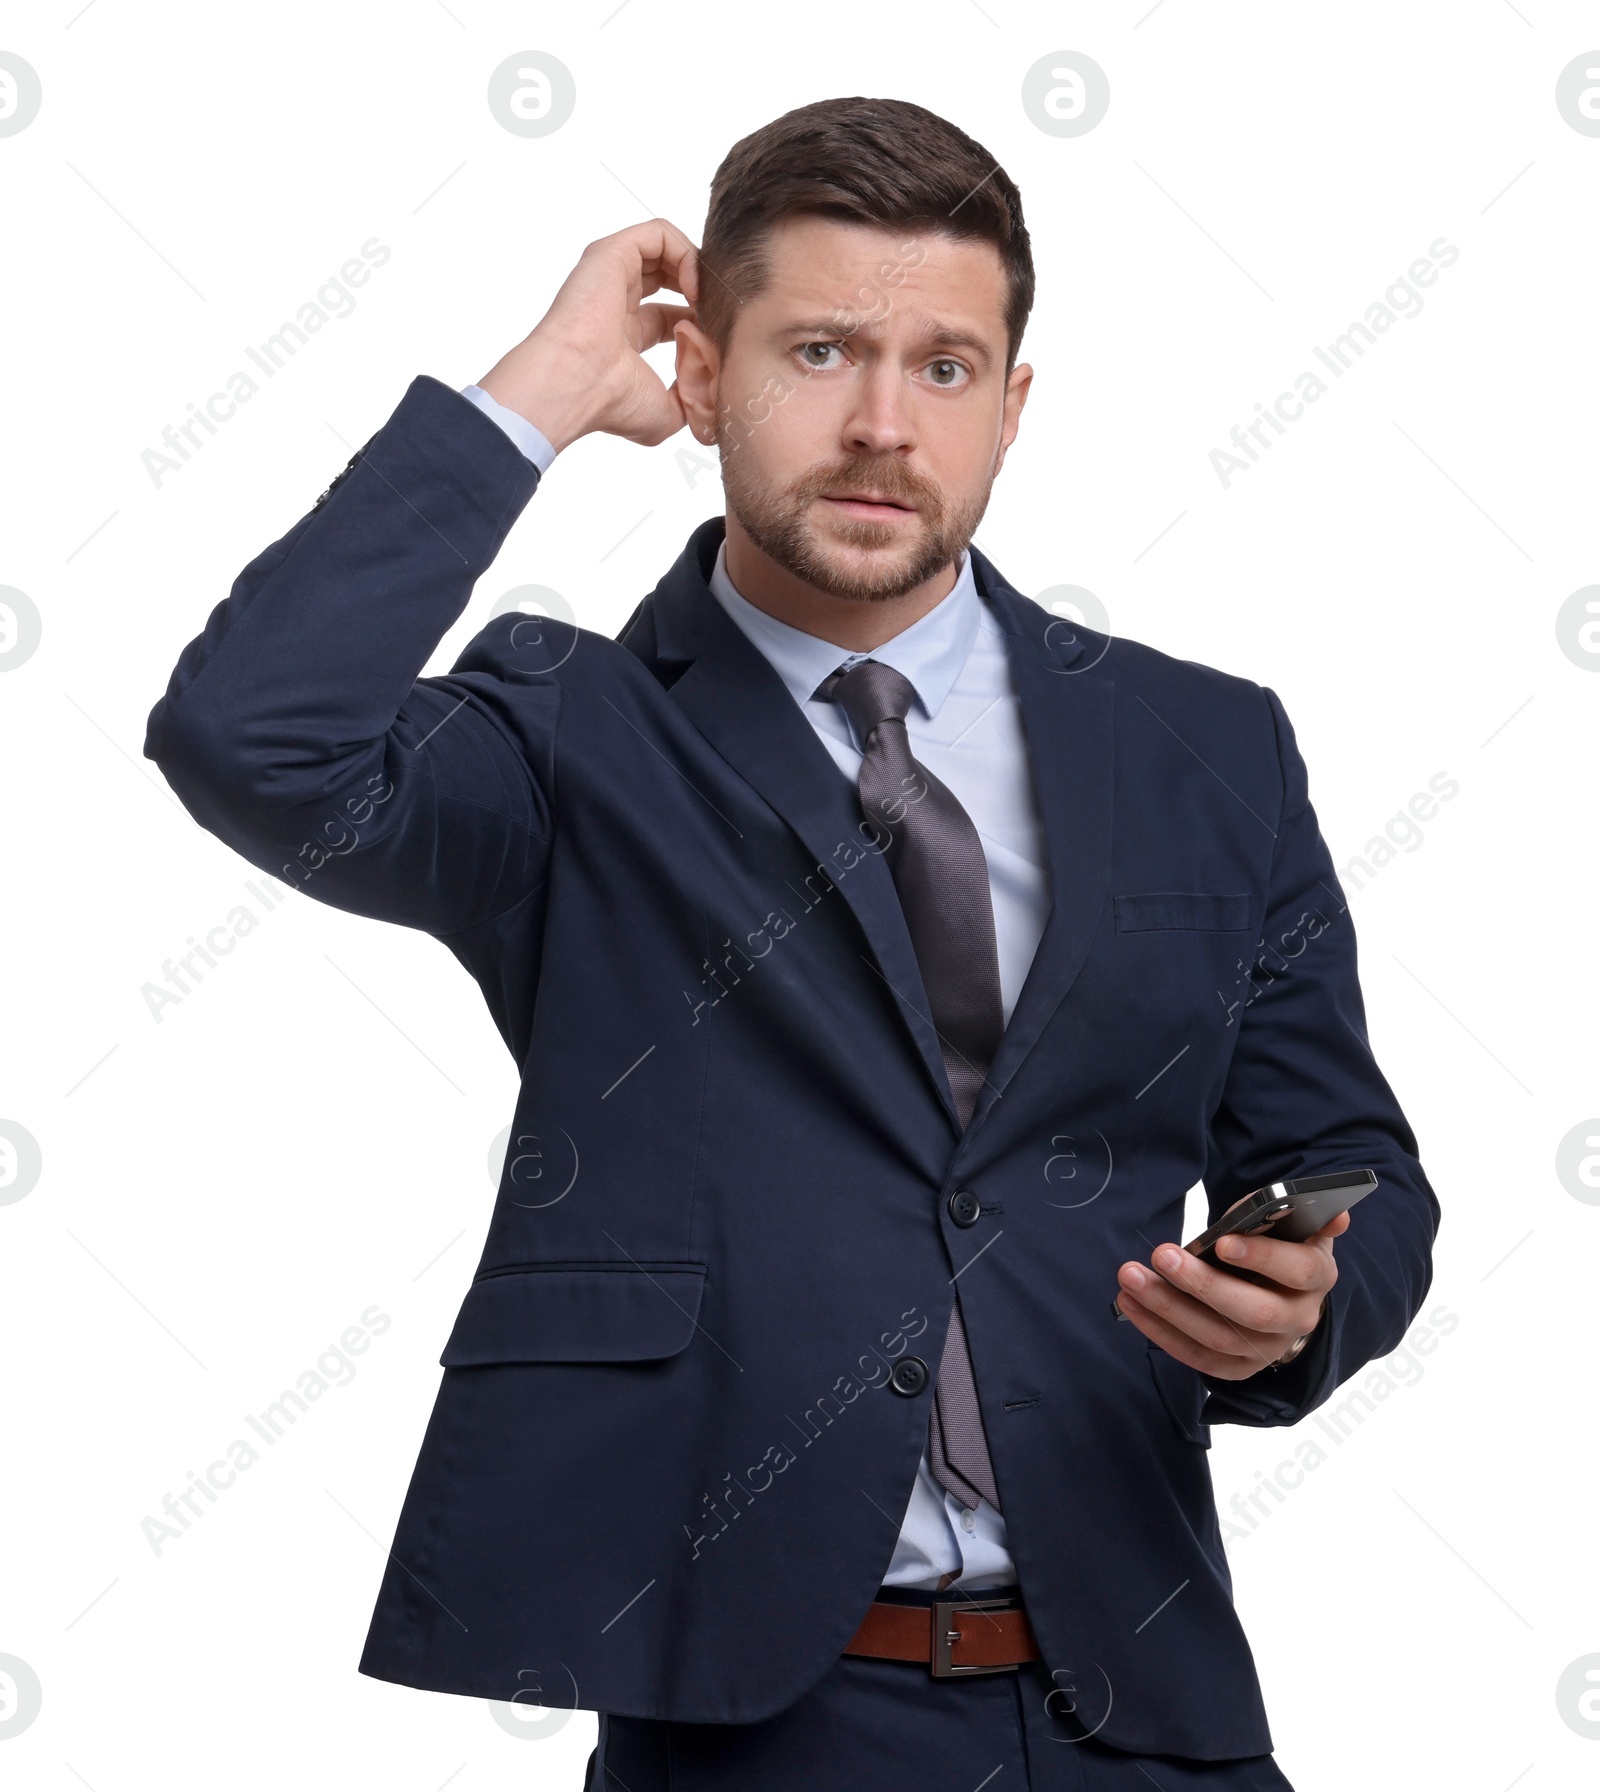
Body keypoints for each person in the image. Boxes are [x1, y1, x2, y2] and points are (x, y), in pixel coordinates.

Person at [145, 95, 1438, 1792]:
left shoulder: (1209, 749)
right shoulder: (569, 741)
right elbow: (252, 737)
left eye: (946, 369)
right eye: (818, 353)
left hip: (1146, 1712)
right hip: (758, 1721)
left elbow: (1355, 1164)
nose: (884, 426)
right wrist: (531, 396)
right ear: (700, 379)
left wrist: (1306, 1305)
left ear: (1013, 410)